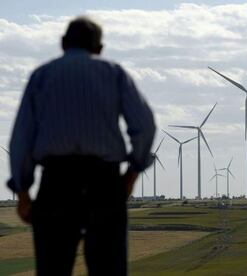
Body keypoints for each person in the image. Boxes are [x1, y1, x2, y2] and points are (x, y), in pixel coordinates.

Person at [6, 16, 156, 276]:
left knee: (52, 269)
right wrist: (132, 173)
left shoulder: (41, 76)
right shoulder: (114, 74)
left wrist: (22, 192)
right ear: (99, 49)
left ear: (63, 43)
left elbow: (21, 139)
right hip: (105, 185)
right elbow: (145, 125)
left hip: (56, 184)